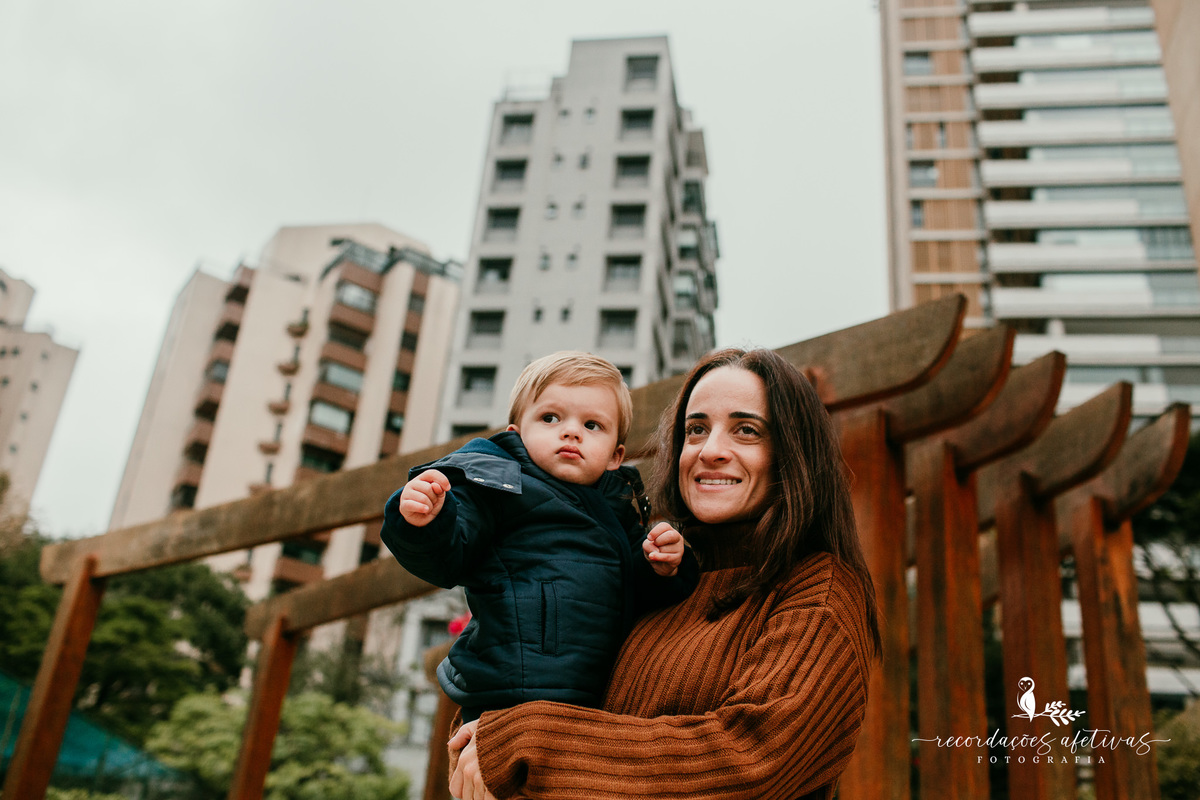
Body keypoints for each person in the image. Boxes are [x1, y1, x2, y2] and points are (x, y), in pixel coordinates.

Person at [448, 347, 882, 800]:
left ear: (792, 453)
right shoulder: (645, 572)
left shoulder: (818, 592)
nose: (710, 451)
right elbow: (525, 710)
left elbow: (749, 761)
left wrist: (525, 742)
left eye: (746, 430)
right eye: (695, 430)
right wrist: (484, 728)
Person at [380, 351, 699, 723]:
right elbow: (449, 555)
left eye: (593, 425)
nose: (571, 431)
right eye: (550, 418)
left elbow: (639, 592)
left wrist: (664, 566)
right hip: (509, 694)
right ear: (517, 433)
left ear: (615, 456)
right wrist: (427, 521)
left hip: (596, 701)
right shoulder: (499, 489)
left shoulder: (618, 515)